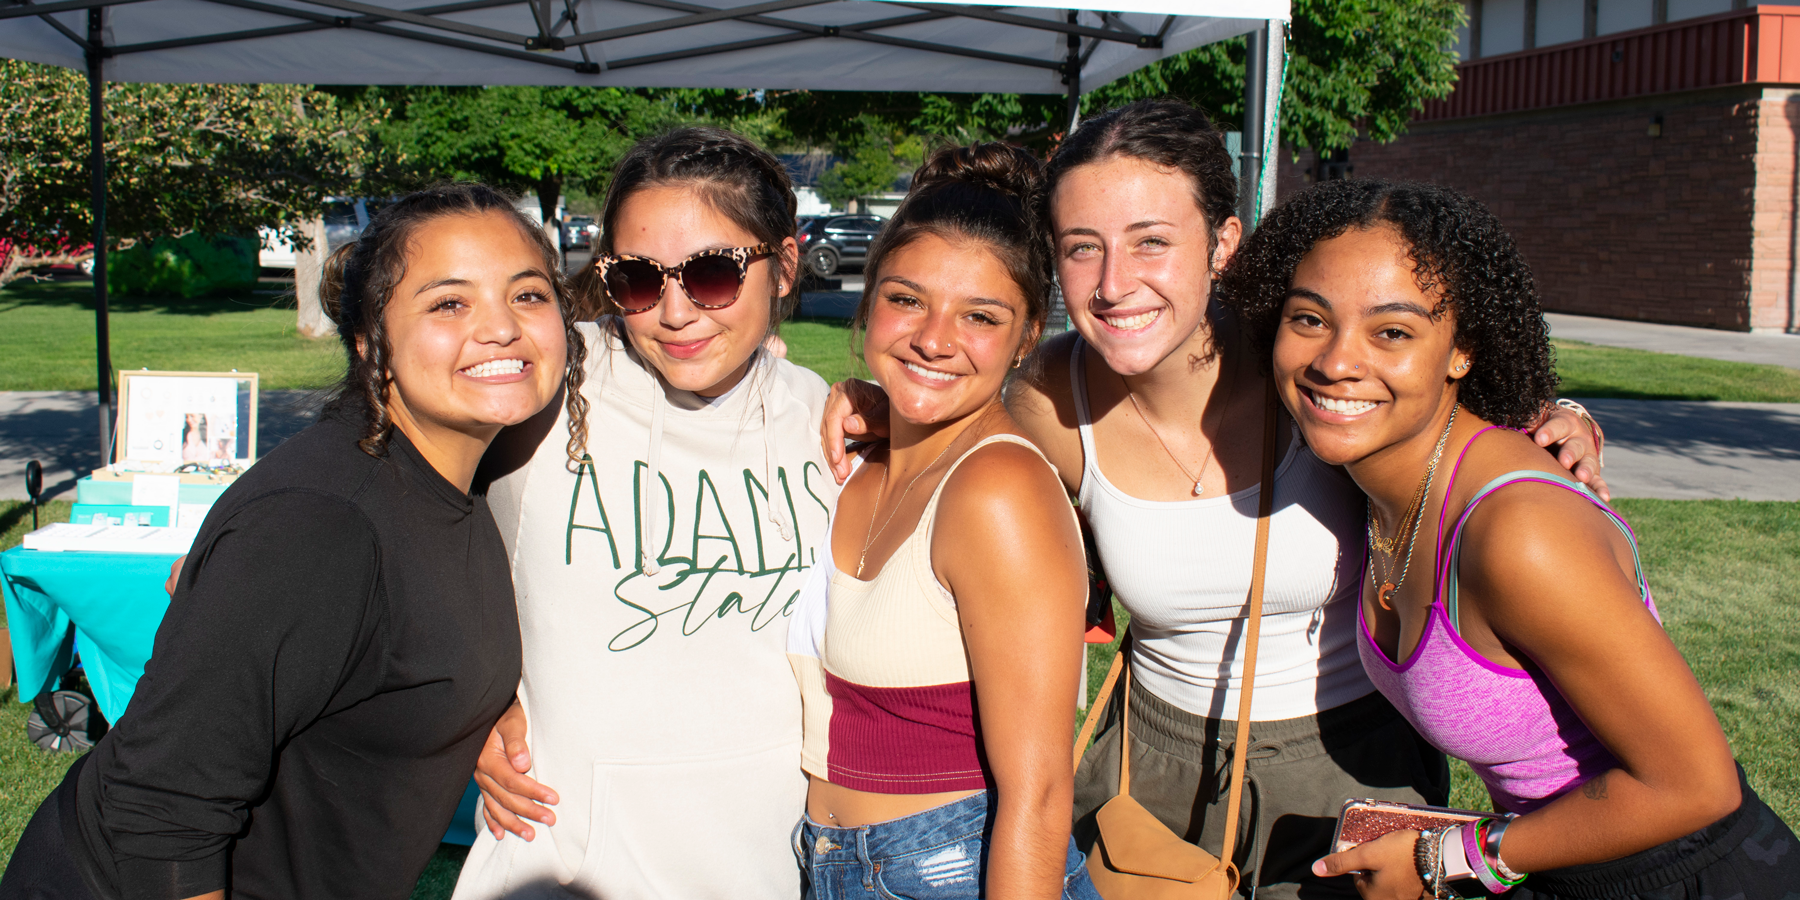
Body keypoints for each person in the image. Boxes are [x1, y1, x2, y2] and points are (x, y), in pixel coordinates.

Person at [821, 100, 1608, 898]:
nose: (1114, 284)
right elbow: (950, 405)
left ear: (1223, 243)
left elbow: (1446, 392)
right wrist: (875, 403)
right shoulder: (1050, 400)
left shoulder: (1312, 363)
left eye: (1152, 242)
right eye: (1081, 250)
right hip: (1151, 772)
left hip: (1348, 766)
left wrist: (1565, 417)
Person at [0, 182, 584, 900]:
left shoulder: (461, 474)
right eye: (448, 303)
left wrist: (481, 706)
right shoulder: (318, 523)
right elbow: (160, 808)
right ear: (374, 342)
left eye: (527, 295)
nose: (501, 328)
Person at [1225, 178, 1800, 899]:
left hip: (1682, 874)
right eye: (1309, 319)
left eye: (1393, 332)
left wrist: (1451, 859)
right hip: (1560, 861)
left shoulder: (1518, 534)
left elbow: (1697, 784)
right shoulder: (1368, 469)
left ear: (1462, 349)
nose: (1337, 361)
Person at [453, 126, 833, 900]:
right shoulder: (540, 386)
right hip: (562, 865)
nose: (674, 311)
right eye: (636, 279)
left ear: (784, 265)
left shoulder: (832, 421)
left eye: (713, 274)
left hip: (773, 867)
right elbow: (365, 525)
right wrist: (458, 697)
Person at [790, 143, 1098, 899]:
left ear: (1027, 337)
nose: (934, 338)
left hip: (952, 867)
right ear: (868, 300)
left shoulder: (997, 490)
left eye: (980, 317)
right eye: (907, 300)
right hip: (835, 861)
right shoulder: (860, 456)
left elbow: (1040, 792)